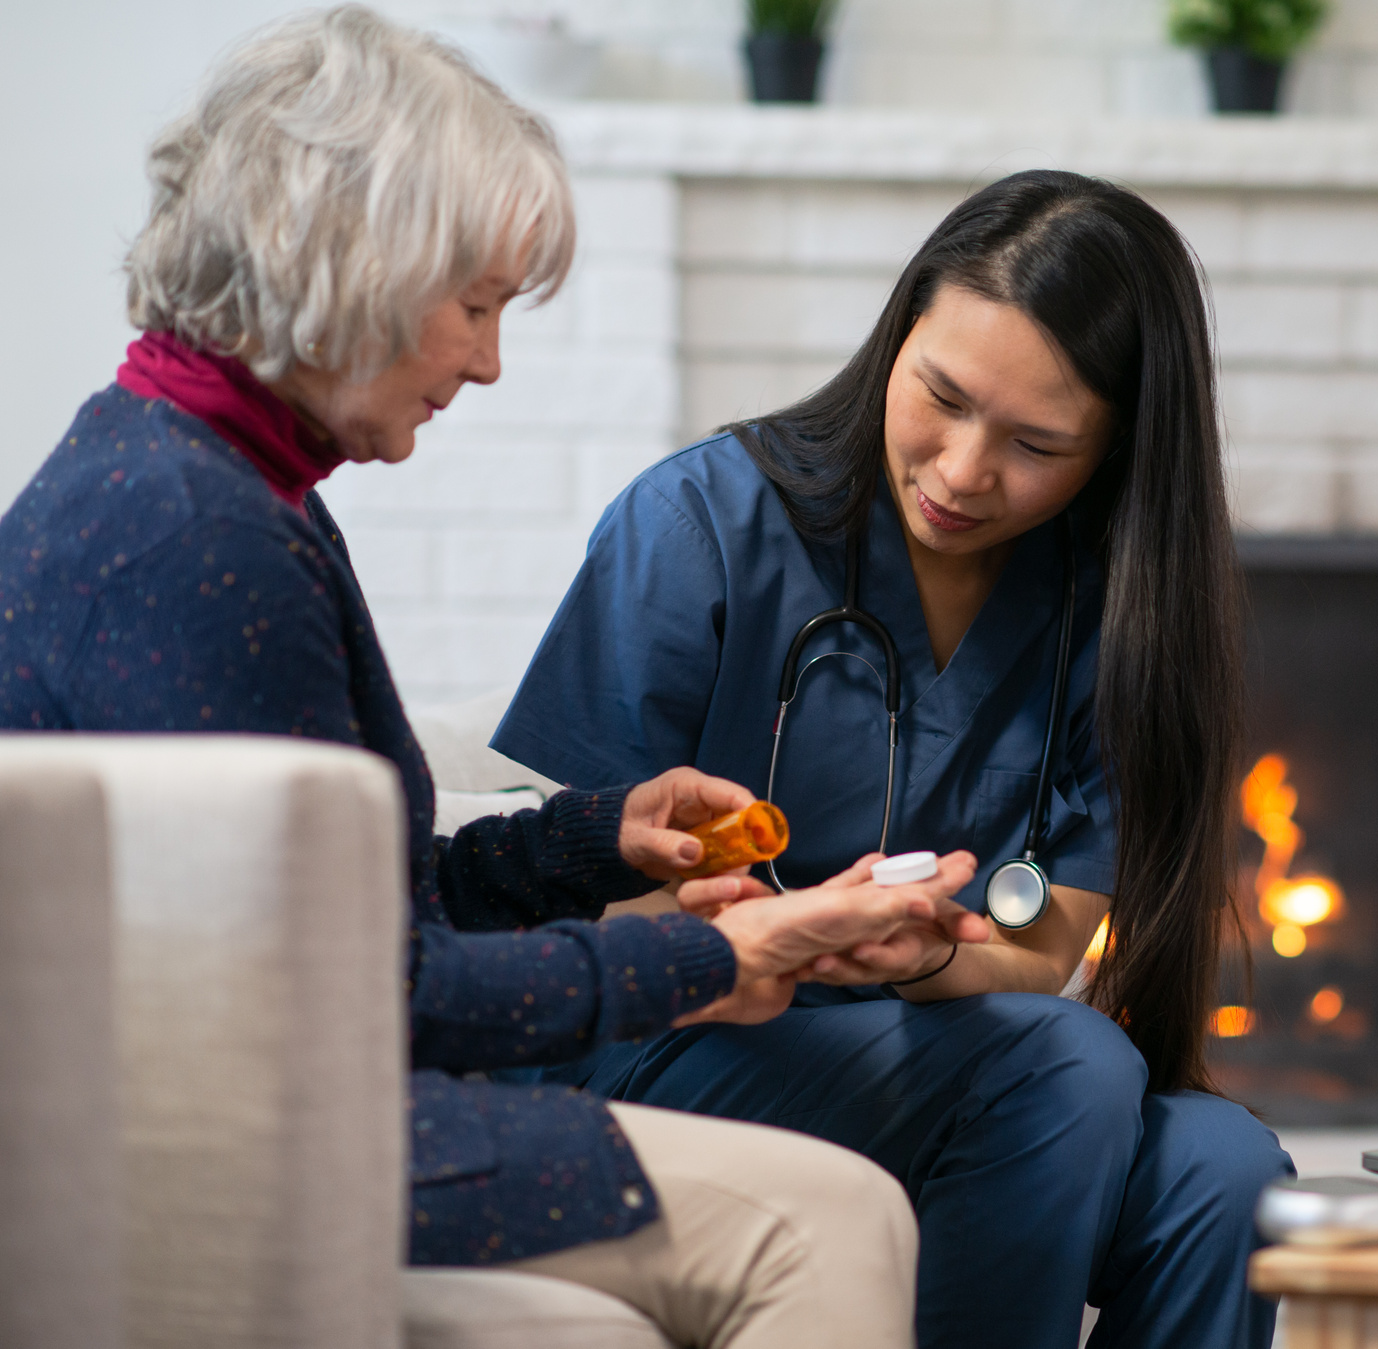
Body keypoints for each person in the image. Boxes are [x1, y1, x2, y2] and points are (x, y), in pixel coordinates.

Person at [0, 9, 991, 1346]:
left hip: (297, 1092)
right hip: (276, 1141)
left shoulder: (176, 467)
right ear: (349, 259)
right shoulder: (197, 539)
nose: (486, 360)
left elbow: (340, 909)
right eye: (472, 304)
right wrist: (705, 956)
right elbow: (371, 994)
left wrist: (596, 838)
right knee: (833, 1215)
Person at [493, 169, 1295, 1349]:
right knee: (1066, 1062)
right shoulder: (696, 526)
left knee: (1225, 1168)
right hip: (671, 1040)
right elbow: (589, 894)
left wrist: (924, 958)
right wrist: (797, 929)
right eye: (942, 396)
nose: (966, 470)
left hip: (952, 1045)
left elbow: (1047, 938)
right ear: (899, 330)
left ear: (1115, 453)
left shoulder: (1109, 609)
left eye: (1035, 442)